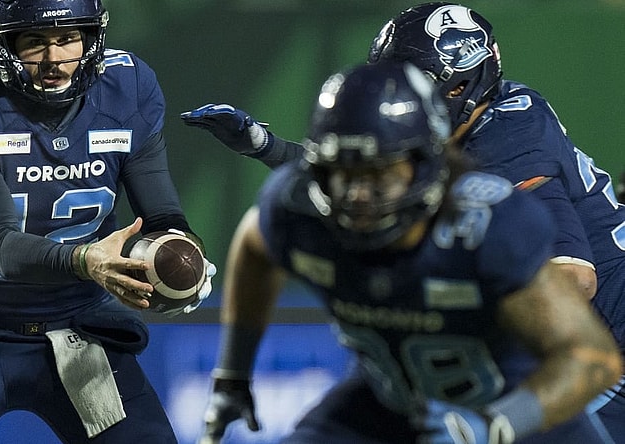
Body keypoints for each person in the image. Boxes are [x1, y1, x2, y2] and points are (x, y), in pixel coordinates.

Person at [182, 2, 625, 439]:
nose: (403, 93)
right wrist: (267, 147)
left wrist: (436, 307)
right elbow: (371, 178)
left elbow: (574, 280)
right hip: (415, 374)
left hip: (590, 330)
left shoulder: (505, 154)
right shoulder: (400, 163)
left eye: (422, 85)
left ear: (463, 86)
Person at [0, 0, 215, 442]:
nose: (54, 59)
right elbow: (1, 244)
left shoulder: (126, 86)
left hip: (80, 332)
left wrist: (180, 254)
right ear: (5, 43)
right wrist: (88, 260)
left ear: (90, 37)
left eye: (67, 39)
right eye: (35, 42)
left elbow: (163, 214)